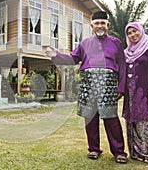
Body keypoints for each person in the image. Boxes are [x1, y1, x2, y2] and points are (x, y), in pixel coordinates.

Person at [45, 11, 128, 164]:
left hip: (108, 84)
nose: (100, 26)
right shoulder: (84, 43)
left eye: (103, 23)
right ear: (92, 26)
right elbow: (72, 59)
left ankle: (119, 152)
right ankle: (94, 149)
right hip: (88, 84)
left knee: (111, 119)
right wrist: (55, 54)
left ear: (107, 25)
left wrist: (121, 88)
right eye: (97, 23)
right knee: (90, 118)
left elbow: (122, 66)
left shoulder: (116, 43)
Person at [123, 22, 148, 164]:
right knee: (131, 121)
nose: (133, 35)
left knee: (144, 122)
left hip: (144, 92)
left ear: (141, 31)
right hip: (130, 93)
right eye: (129, 33)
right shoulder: (127, 52)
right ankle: (136, 152)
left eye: (135, 31)